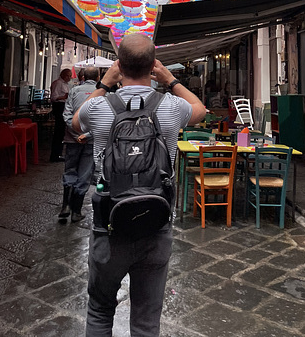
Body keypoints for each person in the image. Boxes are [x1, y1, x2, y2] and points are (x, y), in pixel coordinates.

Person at [72, 34, 205, 337]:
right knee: (146, 320)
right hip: (155, 226)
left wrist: (105, 84)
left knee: (99, 311)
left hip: (109, 227)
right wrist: (170, 79)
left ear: (118, 66)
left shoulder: (101, 107)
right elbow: (199, 109)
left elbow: (76, 122)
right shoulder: (172, 107)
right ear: (153, 66)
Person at [58, 66, 100, 224]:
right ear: (98, 77)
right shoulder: (102, 92)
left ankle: (65, 207)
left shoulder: (74, 91)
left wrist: (76, 134)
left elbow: (66, 114)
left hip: (72, 139)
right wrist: (86, 135)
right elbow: (102, 120)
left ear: (82, 76)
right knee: (84, 173)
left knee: (70, 169)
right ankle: (76, 211)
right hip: (90, 141)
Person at [49, 68, 72, 162]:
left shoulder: (65, 84)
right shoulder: (58, 83)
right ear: (63, 75)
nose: (70, 78)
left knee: (62, 132)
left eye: (70, 76)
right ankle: (55, 155)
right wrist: (64, 97)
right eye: (68, 76)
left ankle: (59, 153)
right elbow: (53, 97)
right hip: (59, 107)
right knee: (59, 132)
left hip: (64, 106)